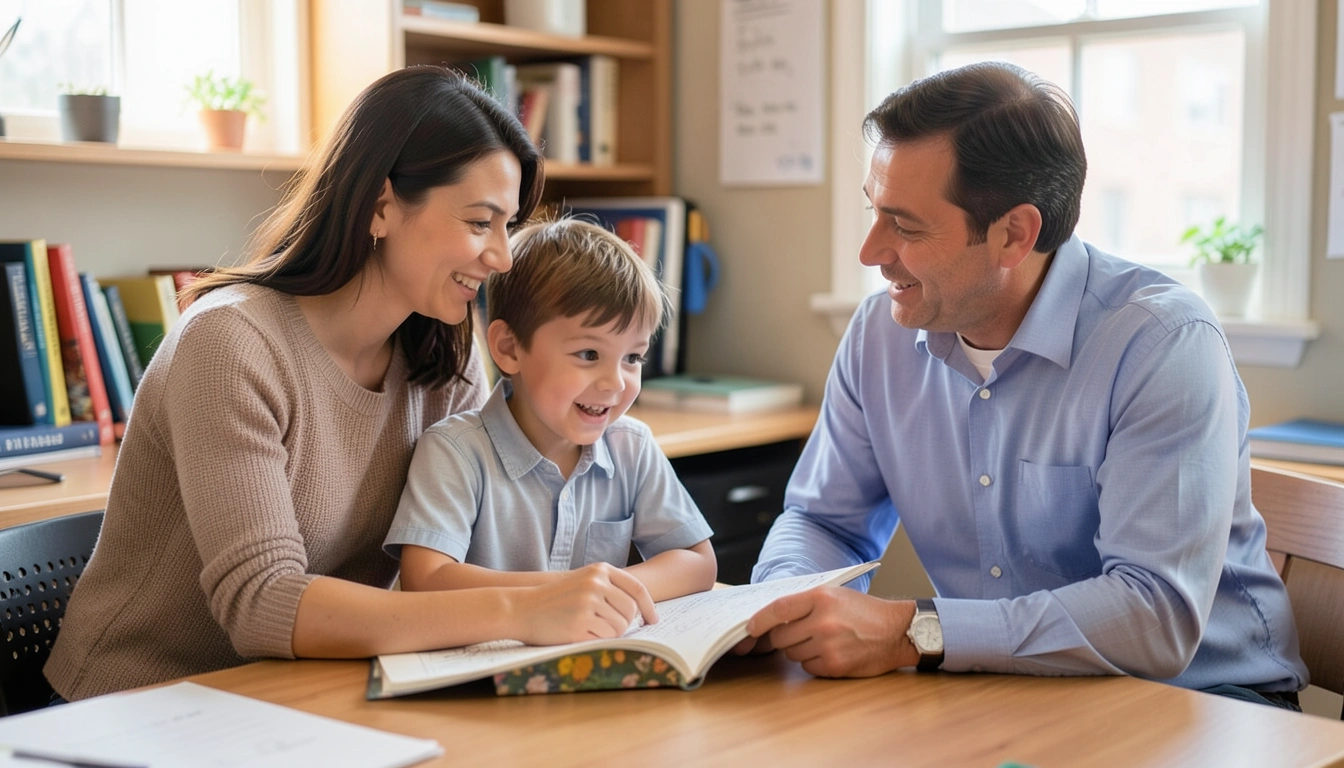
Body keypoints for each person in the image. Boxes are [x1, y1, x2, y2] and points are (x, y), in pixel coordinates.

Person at [45, 67, 658, 702]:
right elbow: (262, 602)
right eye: (481, 223)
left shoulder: (442, 359)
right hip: (140, 706)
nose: (502, 256)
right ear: (381, 205)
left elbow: (470, 546)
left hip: (303, 694)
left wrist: (578, 592)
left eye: (508, 228)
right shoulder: (230, 342)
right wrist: (517, 610)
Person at [740, 61, 1308, 709]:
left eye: (905, 225)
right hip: (999, 689)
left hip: (1205, 702)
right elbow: (823, 520)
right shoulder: (879, 333)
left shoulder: (1161, 342)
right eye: (874, 212)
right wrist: (786, 600)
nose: (871, 252)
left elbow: (1154, 614)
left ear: (1015, 234)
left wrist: (912, 631)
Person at [384, 218, 717, 603]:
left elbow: (698, 561)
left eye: (632, 357)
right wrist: (561, 595)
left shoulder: (632, 447)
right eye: (589, 354)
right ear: (509, 348)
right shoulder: (454, 451)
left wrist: (602, 590)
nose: (615, 383)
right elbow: (425, 578)